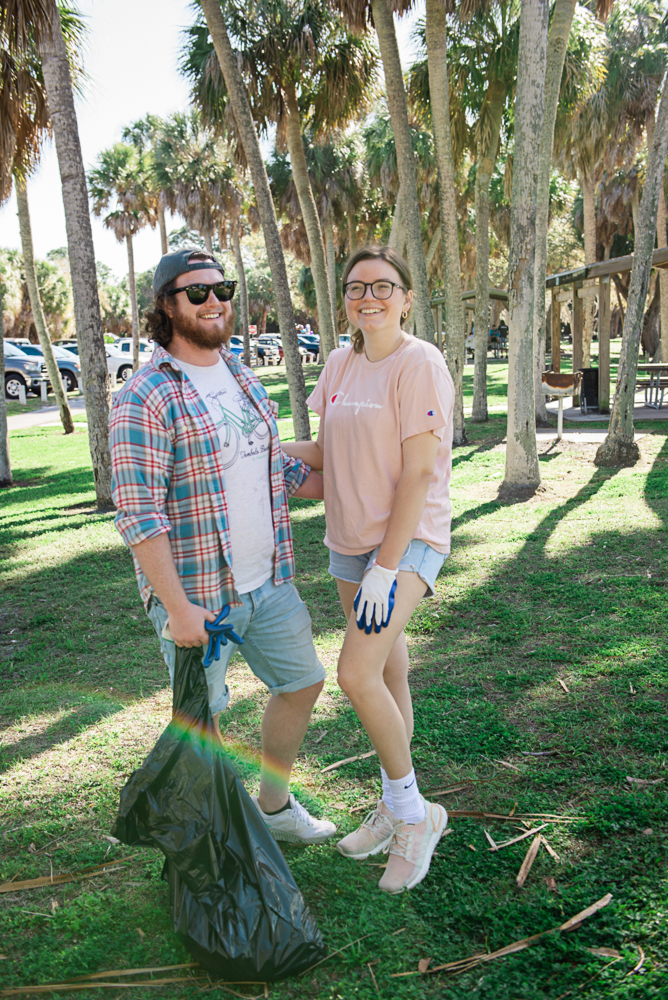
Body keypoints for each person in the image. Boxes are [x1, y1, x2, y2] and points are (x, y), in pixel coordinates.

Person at [110, 247, 335, 846]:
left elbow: (268, 467)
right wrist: (179, 608)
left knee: (303, 683)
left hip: (270, 580)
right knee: (202, 720)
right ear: (167, 305)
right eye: (197, 292)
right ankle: (206, 841)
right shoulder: (145, 394)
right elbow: (138, 514)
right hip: (200, 598)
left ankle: (274, 808)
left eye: (223, 289)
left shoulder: (240, 375)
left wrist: (362, 484)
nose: (215, 301)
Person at [282, 245, 454, 894]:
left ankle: (415, 815)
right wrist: (259, 454)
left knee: (355, 673)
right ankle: (392, 803)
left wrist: (386, 569)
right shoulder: (340, 362)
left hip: (405, 543)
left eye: (384, 286)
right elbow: (325, 454)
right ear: (345, 300)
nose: (370, 297)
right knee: (387, 669)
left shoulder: (420, 363)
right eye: (356, 287)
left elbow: (417, 472)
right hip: (348, 540)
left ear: (407, 298)